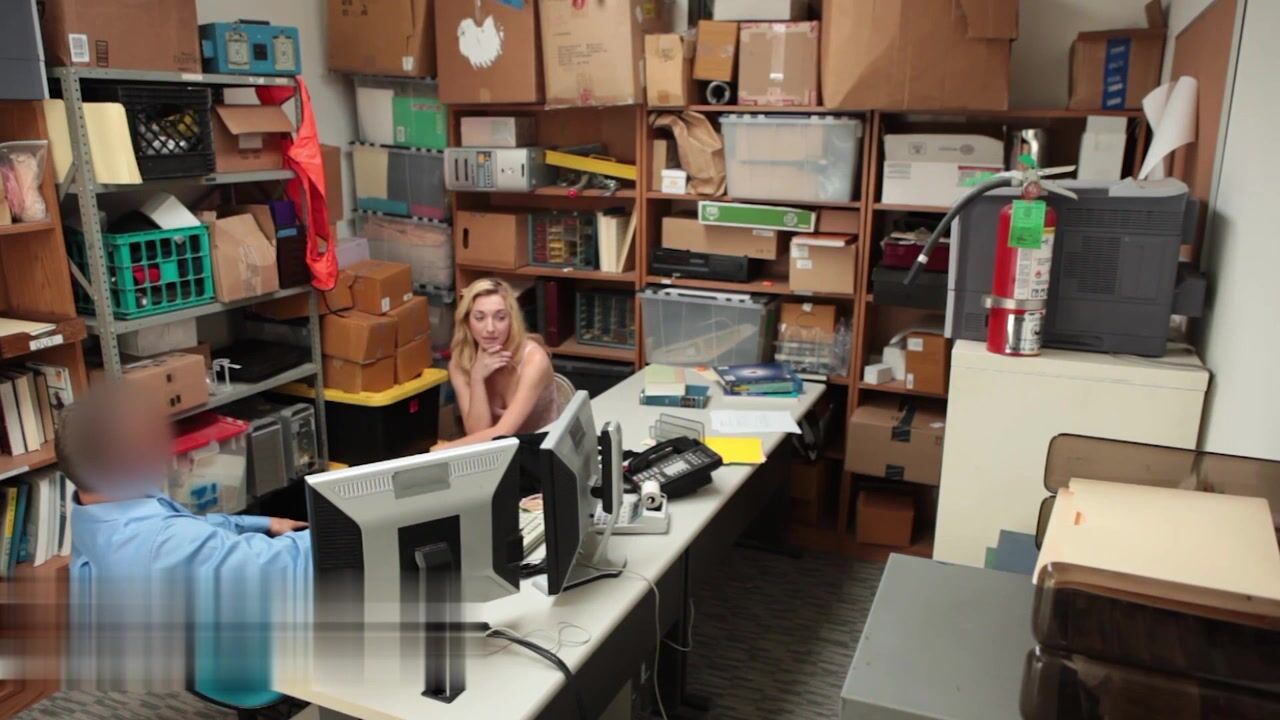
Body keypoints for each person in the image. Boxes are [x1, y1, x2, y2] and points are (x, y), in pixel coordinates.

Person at [59, 383, 310, 693]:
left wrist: (263, 523)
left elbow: (194, 526)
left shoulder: (97, 507)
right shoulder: (161, 543)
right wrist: (341, 528)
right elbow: (282, 568)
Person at [440, 277, 563, 449]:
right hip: (496, 453)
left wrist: (440, 451)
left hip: (542, 451)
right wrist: (477, 377)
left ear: (512, 320)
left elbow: (504, 433)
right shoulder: (460, 362)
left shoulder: (534, 359)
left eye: (500, 317)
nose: (490, 328)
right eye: (479, 318)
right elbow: (476, 433)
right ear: (467, 321)